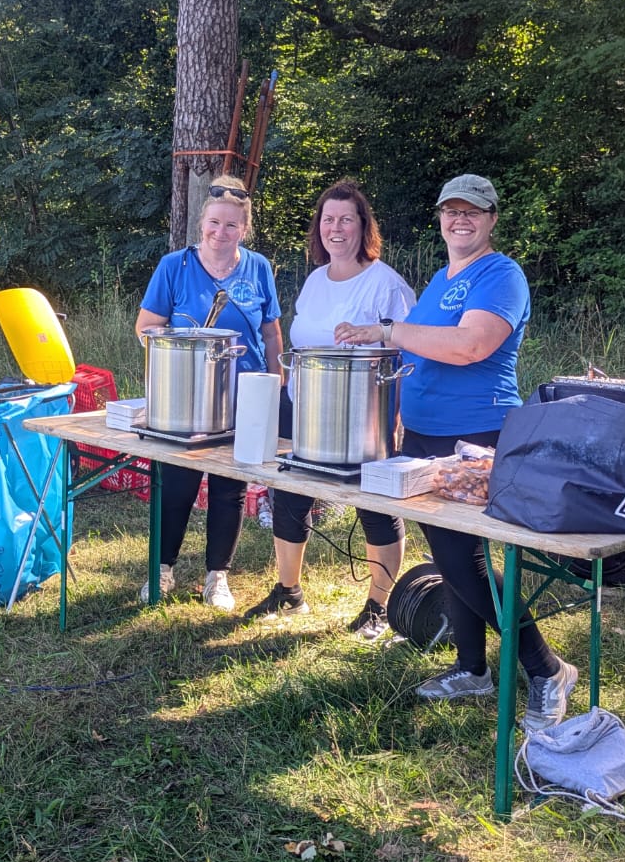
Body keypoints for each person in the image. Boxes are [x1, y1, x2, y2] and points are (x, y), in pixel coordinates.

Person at [334, 173, 577, 731]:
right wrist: (398, 415)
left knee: (465, 564)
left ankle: (545, 669)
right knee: (448, 558)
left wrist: (387, 331)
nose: (460, 220)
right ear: (440, 219)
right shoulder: (442, 278)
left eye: (473, 211)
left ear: (492, 219)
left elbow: (470, 346)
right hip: (422, 436)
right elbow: (422, 354)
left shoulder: (502, 275)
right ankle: (472, 669)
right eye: (451, 211)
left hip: (475, 437)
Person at [242, 179, 415, 639]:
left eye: (346, 219)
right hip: (304, 408)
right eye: (328, 219)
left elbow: (410, 352)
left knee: (374, 507)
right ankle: (289, 591)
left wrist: (397, 417)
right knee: (290, 493)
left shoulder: (387, 284)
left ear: (364, 226)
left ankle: (379, 606)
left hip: (364, 415)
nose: (335, 228)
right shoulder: (316, 281)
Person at [135, 176, 284, 610]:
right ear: (201, 222)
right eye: (214, 223)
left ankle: (217, 576)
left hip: (244, 395)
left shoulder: (258, 268)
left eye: (232, 226)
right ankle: (161, 568)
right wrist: (177, 350)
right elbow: (146, 328)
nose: (221, 233)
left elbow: (272, 333)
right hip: (185, 394)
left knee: (229, 487)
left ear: (245, 230)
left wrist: (276, 382)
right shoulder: (174, 266)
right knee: (177, 482)